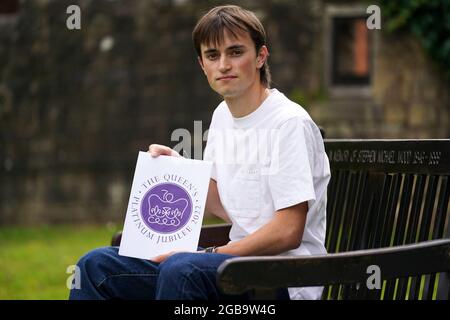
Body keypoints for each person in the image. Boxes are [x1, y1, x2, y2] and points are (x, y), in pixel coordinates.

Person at [69, 4, 330, 300]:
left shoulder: (288, 123)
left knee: (182, 269)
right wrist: (179, 170)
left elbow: (288, 230)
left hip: (281, 279)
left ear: (260, 56)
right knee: (96, 267)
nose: (223, 65)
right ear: (201, 65)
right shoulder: (223, 116)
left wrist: (213, 253)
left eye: (235, 52)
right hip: (232, 269)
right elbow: (229, 206)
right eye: (212, 55)